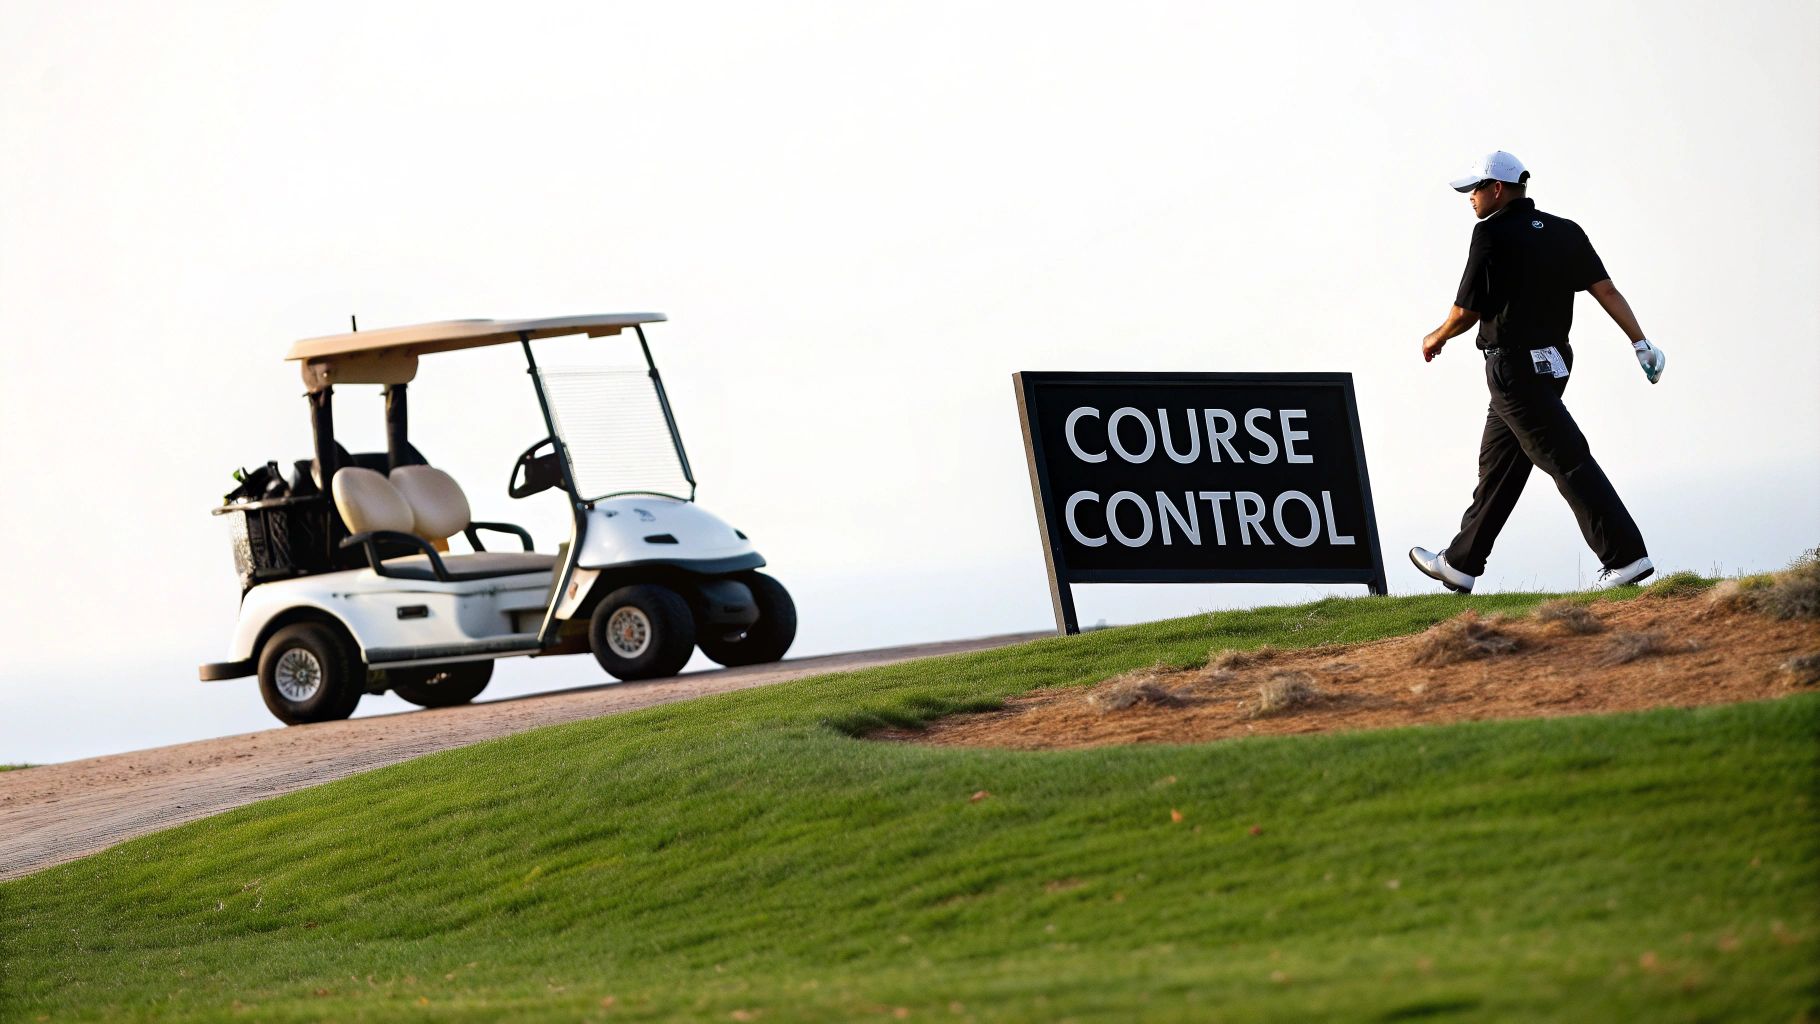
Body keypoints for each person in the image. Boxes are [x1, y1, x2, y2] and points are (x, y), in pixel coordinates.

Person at [1410, 151, 1664, 593]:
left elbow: (1467, 311)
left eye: (1475, 188)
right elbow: (1605, 289)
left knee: (1567, 457)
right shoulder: (1566, 230)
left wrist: (1437, 336)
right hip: (1554, 364)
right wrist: (1639, 342)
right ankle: (1460, 563)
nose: (1469, 197)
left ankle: (1626, 558)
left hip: (1512, 367)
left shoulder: (1489, 234)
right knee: (1500, 468)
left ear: (1497, 189)